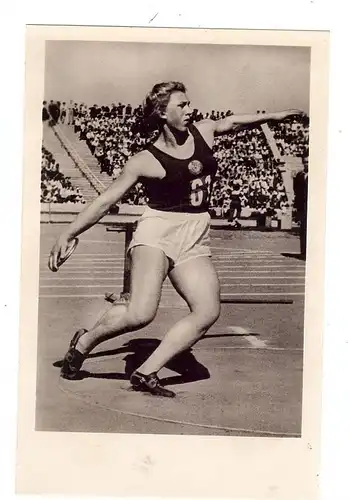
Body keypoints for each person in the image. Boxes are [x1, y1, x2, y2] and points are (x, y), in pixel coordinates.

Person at [48, 81, 304, 397]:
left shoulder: (204, 131)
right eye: (181, 105)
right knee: (140, 314)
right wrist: (68, 233)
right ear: (161, 113)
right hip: (157, 230)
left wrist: (276, 116)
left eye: (189, 103)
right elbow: (104, 201)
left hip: (196, 232)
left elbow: (233, 122)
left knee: (207, 310)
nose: (190, 109)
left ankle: (146, 372)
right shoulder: (145, 160)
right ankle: (85, 341)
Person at [293, 155, 308, 259]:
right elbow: (297, 192)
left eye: (307, 162)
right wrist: (296, 208)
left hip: (313, 206)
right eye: (304, 162)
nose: (306, 164)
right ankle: (303, 252)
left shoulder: (318, 175)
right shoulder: (299, 175)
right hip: (302, 207)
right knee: (303, 230)